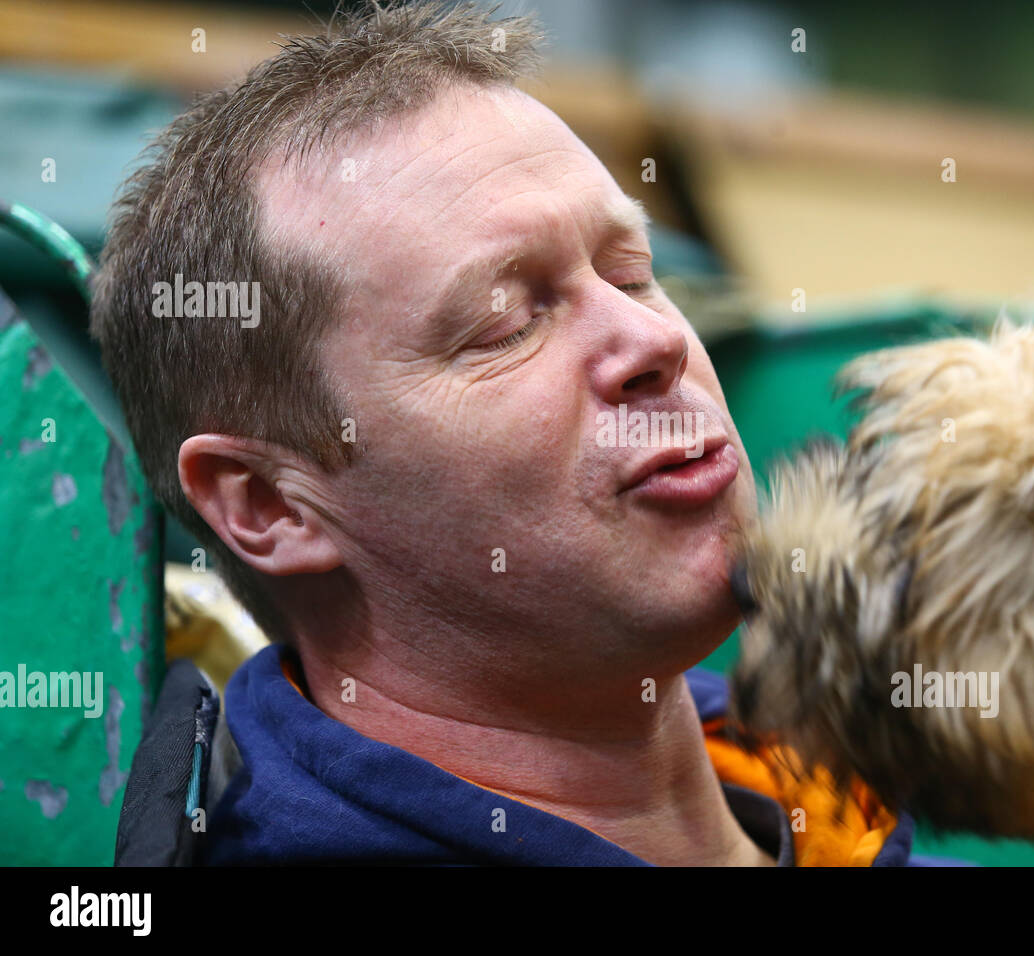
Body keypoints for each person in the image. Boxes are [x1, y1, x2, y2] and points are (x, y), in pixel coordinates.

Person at [91, 0, 912, 866]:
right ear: (271, 505)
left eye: (632, 275)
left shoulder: (846, 790)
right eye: (506, 326)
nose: (657, 342)